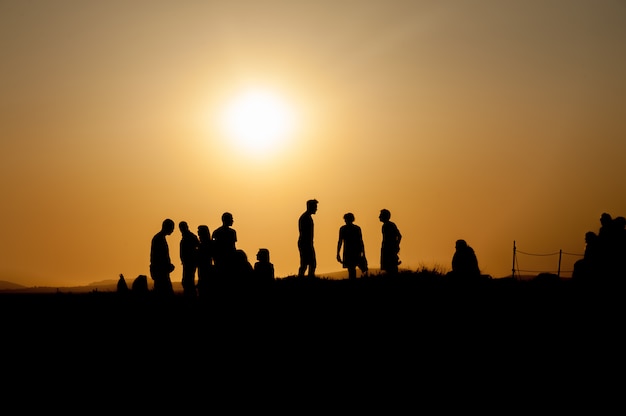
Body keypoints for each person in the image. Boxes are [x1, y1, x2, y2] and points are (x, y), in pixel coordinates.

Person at [150, 219, 176, 297]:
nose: (173, 230)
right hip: (161, 272)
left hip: (161, 271)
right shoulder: (159, 239)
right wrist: (167, 266)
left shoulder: (159, 238)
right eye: (172, 227)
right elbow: (158, 257)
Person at [336, 212, 366, 280]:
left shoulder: (343, 229)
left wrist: (338, 253)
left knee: (351, 268)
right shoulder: (357, 228)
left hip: (348, 251)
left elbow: (340, 241)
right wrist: (363, 253)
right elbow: (361, 241)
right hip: (355, 250)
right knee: (353, 268)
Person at [212, 212, 237, 280]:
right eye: (231, 219)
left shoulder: (216, 232)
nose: (232, 221)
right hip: (227, 260)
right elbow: (233, 247)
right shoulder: (232, 232)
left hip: (220, 260)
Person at [298, 199, 318, 278]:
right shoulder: (305, 218)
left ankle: (306, 278)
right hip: (305, 243)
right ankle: (305, 278)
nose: (316, 209)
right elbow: (305, 233)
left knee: (308, 264)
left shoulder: (306, 217)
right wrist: (308, 244)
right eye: (315, 207)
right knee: (308, 264)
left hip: (306, 243)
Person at [179, 221, 199, 298]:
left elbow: (197, 247)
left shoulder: (190, 237)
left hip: (190, 263)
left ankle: (191, 297)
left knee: (187, 281)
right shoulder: (189, 237)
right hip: (187, 263)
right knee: (187, 281)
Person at [379, 209, 402, 275]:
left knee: (392, 268)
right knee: (389, 268)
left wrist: (396, 245)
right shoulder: (385, 225)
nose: (379, 217)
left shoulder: (390, 225)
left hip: (389, 249)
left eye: (381, 215)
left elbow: (399, 236)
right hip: (387, 249)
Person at [196, 224, 214, 297]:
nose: (198, 234)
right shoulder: (209, 244)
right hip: (204, 269)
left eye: (199, 232)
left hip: (205, 269)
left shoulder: (203, 245)